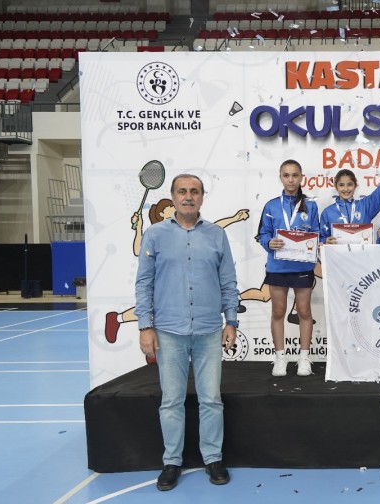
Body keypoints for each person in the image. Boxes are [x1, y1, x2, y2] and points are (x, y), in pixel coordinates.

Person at [135, 174, 238, 491]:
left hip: (208, 330)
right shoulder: (155, 235)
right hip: (168, 331)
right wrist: (145, 326)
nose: (188, 196)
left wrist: (231, 321)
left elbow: (228, 282)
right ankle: (171, 462)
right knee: (171, 401)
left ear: (202, 197)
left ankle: (213, 458)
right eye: (182, 191)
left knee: (211, 400)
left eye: (194, 191)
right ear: (173, 195)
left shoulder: (217, 235)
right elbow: (144, 284)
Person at [104, 198, 247, 348]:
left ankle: (118, 319)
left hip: (204, 324)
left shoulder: (209, 233)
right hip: (167, 313)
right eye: (170, 213)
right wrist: (138, 228)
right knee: (151, 307)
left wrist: (234, 218)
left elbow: (215, 228)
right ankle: (117, 319)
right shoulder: (155, 235)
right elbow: (139, 255)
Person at [256, 160, 320, 377]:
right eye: (286, 175)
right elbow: (262, 233)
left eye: (294, 175)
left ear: (301, 177)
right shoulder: (271, 206)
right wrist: (269, 242)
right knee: (278, 311)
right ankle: (280, 357)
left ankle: (304, 357)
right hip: (278, 267)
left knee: (304, 311)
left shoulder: (311, 206)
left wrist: (317, 241)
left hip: (302, 266)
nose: (291, 180)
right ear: (280, 177)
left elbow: (316, 233)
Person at [320, 159, 380, 244]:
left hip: (362, 258)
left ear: (355, 185)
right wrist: (325, 241)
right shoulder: (327, 212)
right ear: (336, 186)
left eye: (349, 184)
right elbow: (320, 239)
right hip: (337, 259)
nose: (346, 189)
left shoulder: (365, 206)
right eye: (341, 185)